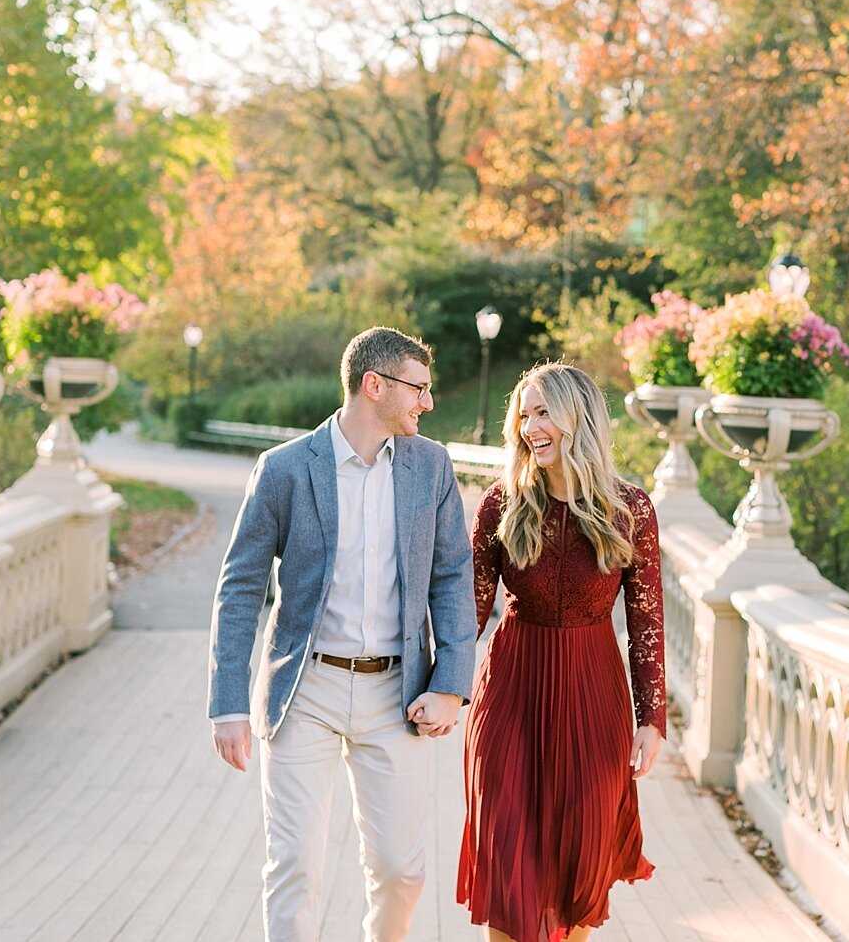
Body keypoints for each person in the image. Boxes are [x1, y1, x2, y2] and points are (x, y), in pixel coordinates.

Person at [208, 326, 477, 942]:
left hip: (397, 694)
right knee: (297, 864)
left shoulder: (429, 466)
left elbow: (451, 575)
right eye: (419, 389)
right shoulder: (283, 469)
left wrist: (452, 682)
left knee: (402, 872)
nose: (427, 403)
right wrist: (227, 702)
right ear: (373, 385)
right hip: (306, 691)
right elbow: (240, 586)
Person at [457, 362, 666, 942]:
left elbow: (648, 622)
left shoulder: (631, 510)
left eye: (543, 412)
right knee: (508, 869)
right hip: (511, 697)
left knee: (579, 869)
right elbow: (470, 612)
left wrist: (652, 720)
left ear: (581, 418)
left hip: (592, 700)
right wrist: (439, 685)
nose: (530, 427)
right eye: (523, 414)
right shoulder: (502, 505)